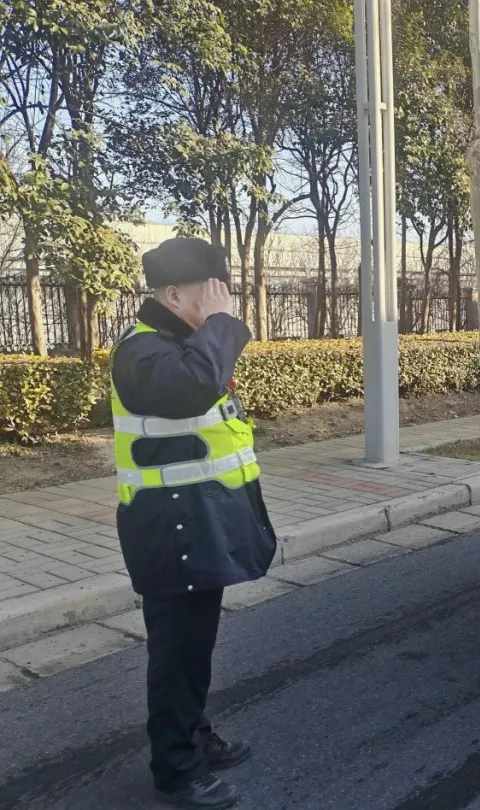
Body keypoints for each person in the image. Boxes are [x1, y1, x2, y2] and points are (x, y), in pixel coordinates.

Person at [111, 237, 277, 808]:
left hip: (193, 520)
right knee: (177, 654)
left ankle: (195, 736)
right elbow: (190, 389)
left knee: (194, 647)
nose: (222, 301)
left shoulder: (178, 345)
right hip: (168, 528)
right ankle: (177, 769)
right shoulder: (141, 352)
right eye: (211, 291)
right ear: (173, 295)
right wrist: (223, 325)